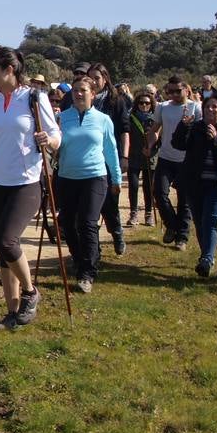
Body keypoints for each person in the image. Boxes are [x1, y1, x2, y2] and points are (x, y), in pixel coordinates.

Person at [0, 47, 60, 329]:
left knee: (5, 241)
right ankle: (13, 313)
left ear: (9, 70)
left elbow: (56, 135)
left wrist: (48, 140)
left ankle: (30, 293)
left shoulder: (34, 97)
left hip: (26, 183)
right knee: (3, 250)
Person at [56, 75, 122, 293]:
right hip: (67, 177)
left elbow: (110, 150)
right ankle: (79, 258)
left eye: (83, 90)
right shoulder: (62, 118)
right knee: (67, 223)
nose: (78, 93)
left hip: (95, 176)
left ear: (93, 93)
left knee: (87, 222)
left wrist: (117, 177)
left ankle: (87, 273)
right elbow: (54, 149)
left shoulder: (103, 120)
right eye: (75, 90)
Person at [171, 94, 217, 278]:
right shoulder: (195, 127)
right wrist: (183, 125)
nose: (210, 110)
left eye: (214, 107)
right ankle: (207, 257)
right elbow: (178, 144)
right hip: (194, 184)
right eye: (207, 107)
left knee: (210, 221)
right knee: (199, 222)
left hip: (216, 185)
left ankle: (206, 259)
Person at [146, 77, 201, 251]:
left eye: (178, 91)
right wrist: (149, 145)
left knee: (185, 201)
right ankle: (172, 225)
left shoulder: (195, 107)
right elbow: (155, 129)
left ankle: (182, 238)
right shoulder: (163, 107)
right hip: (165, 157)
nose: (174, 95)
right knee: (159, 193)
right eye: (170, 91)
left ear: (186, 89)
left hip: (187, 160)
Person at [88, 63, 131, 256]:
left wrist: (124, 157)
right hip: (88, 159)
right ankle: (92, 249)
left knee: (109, 203)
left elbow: (124, 131)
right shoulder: (81, 101)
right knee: (89, 206)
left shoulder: (116, 101)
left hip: (109, 158)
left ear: (105, 79)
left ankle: (117, 232)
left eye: (97, 78)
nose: (94, 82)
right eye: (91, 78)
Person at [125, 90, 157, 227]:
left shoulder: (156, 119)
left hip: (150, 156)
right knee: (132, 185)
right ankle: (133, 213)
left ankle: (148, 214)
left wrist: (152, 149)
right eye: (141, 103)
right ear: (136, 104)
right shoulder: (130, 118)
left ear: (152, 104)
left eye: (147, 103)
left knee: (148, 187)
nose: (144, 105)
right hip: (134, 156)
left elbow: (160, 137)